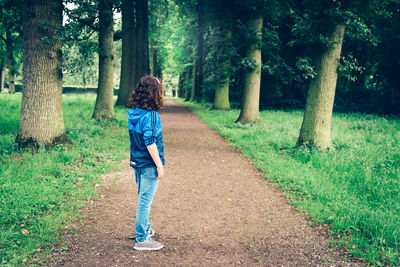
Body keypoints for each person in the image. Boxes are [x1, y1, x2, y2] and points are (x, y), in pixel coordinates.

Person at [127, 76, 165, 251]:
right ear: (154, 92)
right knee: (145, 200)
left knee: (143, 198)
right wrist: (159, 164)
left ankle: (144, 228)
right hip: (148, 164)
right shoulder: (151, 116)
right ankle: (141, 239)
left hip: (137, 162)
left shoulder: (134, 111)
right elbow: (150, 141)